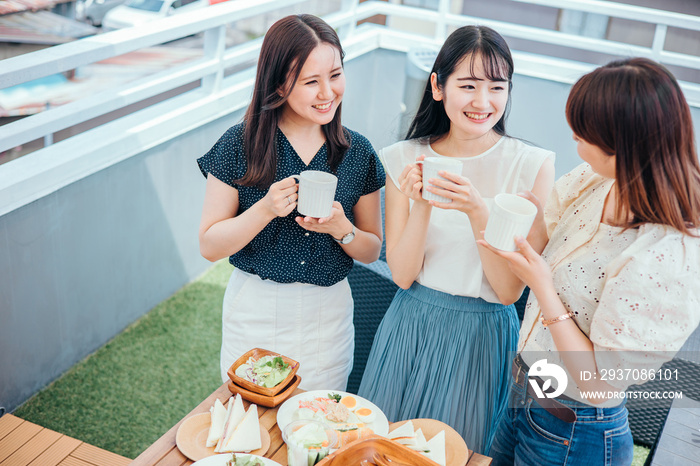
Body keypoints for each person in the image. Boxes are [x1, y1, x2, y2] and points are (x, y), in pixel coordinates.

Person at [484, 58, 700, 465]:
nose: (575, 141)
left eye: (584, 134)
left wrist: (543, 288)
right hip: (526, 394)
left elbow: (599, 384)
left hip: (574, 428)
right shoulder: (597, 179)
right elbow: (548, 239)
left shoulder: (666, 256)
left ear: (623, 146)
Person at [358, 25, 555, 455]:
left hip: (482, 337)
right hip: (410, 325)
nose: (483, 102)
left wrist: (477, 210)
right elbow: (404, 275)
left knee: (458, 454)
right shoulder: (402, 158)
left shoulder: (531, 166)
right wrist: (423, 200)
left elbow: (507, 292)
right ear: (438, 86)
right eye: (467, 85)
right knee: (381, 454)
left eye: (496, 87)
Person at [197, 14, 385, 391]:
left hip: (328, 316)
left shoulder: (357, 151)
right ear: (279, 83)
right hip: (255, 310)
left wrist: (342, 229)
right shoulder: (240, 144)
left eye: (335, 74)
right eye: (311, 82)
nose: (328, 92)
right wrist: (265, 209)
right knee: (250, 427)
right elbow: (209, 245)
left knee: (319, 430)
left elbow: (371, 249)